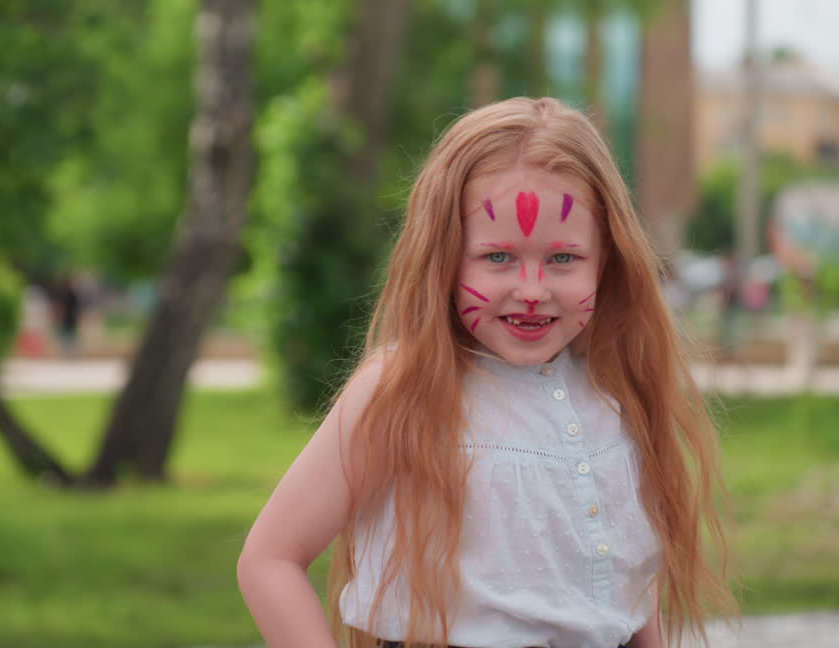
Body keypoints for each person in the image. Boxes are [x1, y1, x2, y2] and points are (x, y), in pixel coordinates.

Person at [237, 98, 736, 648]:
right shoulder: (402, 389)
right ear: (444, 257)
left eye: (563, 259)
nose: (530, 289)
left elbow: (622, 597)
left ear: (609, 260)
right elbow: (270, 559)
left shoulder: (612, 395)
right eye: (497, 257)